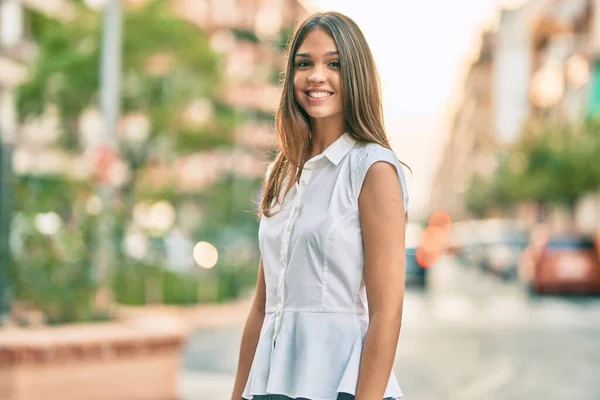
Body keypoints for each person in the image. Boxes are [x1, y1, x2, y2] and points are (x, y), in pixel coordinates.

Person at [231, 11, 409, 400]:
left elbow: (387, 313)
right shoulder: (280, 175)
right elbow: (262, 308)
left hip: (341, 385)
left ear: (356, 75)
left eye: (334, 64)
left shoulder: (372, 168)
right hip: (272, 385)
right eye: (303, 64)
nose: (316, 76)